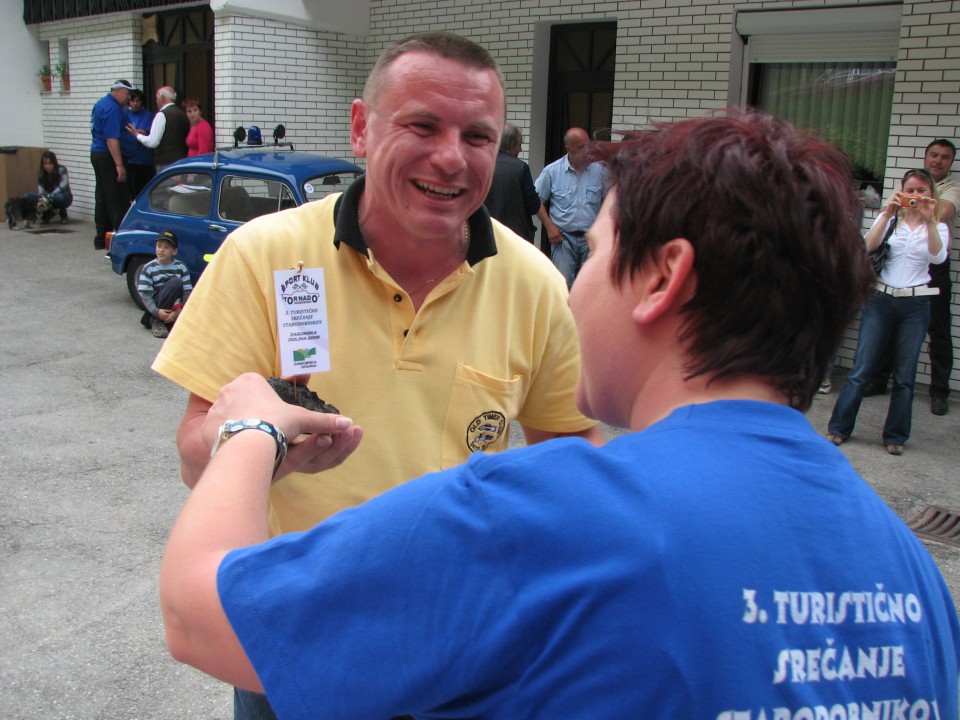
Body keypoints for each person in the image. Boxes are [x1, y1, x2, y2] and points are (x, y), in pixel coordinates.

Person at [160, 110, 960, 719]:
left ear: (661, 280)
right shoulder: (911, 580)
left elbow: (201, 613)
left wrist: (252, 426)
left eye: (600, 253)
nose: (571, 288)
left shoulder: (538, 515)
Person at [152, 31, 601, 719]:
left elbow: (569, 457)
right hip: (294, 628)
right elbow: (193, 452)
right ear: (363, 127)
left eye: (477, 136)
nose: (450, 157)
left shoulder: (536, 285)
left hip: (456, 635)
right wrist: (262, 447)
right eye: (422, 125)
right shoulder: (261, 257)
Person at [827, 169, 949, 455]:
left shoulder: (939, 226)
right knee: (861, 369)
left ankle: (895, 435)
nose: (916, 196)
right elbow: (868, 246)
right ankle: (839, 428)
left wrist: (931, 220)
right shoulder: (892, 220)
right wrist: (886, 213)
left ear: (931, 194)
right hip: (881, 299)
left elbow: (938, 257)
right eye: (911, 190)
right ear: (901, 191)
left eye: (922, 190)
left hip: (915, 304)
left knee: (905, 375)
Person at [862, 139, 959, 415]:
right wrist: (900, 206)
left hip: (933, 262)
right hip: (900, 263)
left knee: (938, 329)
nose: (937, 161)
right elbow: (887, 214)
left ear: (951, 162)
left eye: (944, 157)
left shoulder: (953, 187)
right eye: (933, 155)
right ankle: (879, 380)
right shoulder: (911, 183)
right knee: (889, 321)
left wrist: (921, 206)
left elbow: (946, 212)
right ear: (925, 156)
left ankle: (939, 392)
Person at [535, 126, 606, 287]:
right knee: (563, 285)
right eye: (581, 147)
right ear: (569, 148)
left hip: (591, 238)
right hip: (563, 239)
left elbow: (610, 200)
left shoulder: (599, 171)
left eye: (588, 145)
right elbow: (536, 199)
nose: (587, 150)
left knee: (590, 286)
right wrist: (549, 227)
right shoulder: (552, 172)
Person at [90, 79, 132, 250]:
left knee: (101, 194)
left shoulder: (101, 104)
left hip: (97, 153)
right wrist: (119, 165)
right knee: (115, 197)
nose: (129, 97)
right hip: (107, 156)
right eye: (127, 93)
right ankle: (118, 238)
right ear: (118, 91)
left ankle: (101, 235)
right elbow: (112, 138)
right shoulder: (112, 108)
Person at [483, 122, 540, 243]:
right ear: (511, 144)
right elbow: (533, 206)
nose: (520, 149)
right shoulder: (521, 168)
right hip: (516, 236)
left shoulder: (483, 165)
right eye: (519, 145)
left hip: (486, 233)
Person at [137, 230, 192, 339]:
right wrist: (157, 312)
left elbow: (187, 292)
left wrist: (179, 311)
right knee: (176, 282)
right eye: (159, 246)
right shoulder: (148, 268)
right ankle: (157, 321)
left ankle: (174, 319)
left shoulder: (181, 267)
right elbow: (146, 296)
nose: (161, 250)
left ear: (174, 251)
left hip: (176, 307)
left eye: (166, 247)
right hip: (157, 308)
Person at [127, 86, 189, 171]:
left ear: (162, 98)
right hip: (182, 160)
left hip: (165, 162)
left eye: (157, 98)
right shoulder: (182, 114)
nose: (156, 101)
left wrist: (136, 134)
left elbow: (153, 142)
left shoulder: (162, 115)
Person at [121, 89, 155, 199]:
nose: (135, 104)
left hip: (142, 160)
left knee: (140, 191)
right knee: (129, 191)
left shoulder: (147, 115)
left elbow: (142, 133)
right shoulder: (126, 114)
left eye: (138, 101)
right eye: (132, 101)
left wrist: (132, 133)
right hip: (129, 158)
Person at [24, 151, 72, 224]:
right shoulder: (41, 174)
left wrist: (51, 195)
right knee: (27, 196)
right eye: (45, 164)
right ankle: (46, 214)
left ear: (54, 163)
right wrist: (43, 198)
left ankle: (63, 216)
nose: (48, 166)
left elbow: (63, 186)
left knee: (60, 197)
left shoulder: (61, 170)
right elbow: (41, 191)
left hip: (62, 196)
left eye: (50, 163)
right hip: (47, 197)